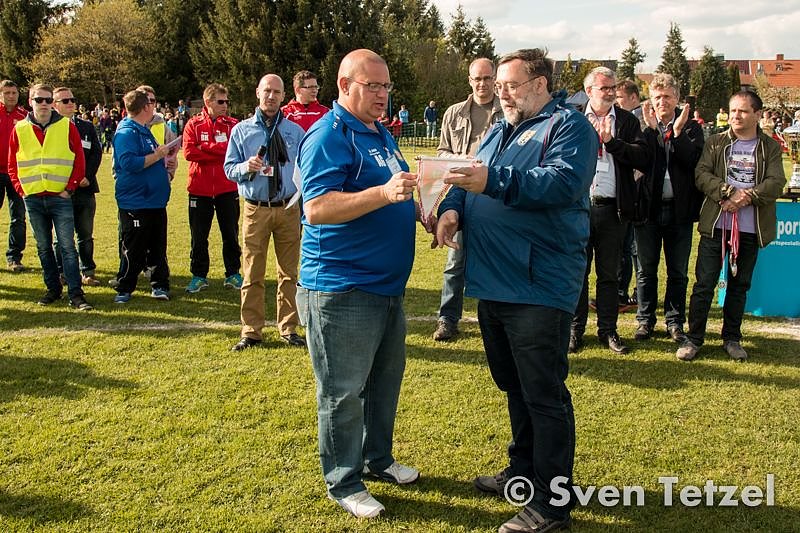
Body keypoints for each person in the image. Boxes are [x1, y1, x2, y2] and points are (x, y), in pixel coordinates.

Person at [435, 48, 597, 533]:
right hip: (493, 281)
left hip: (539, 283)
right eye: (498, 85)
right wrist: (453, 208)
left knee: (543, 394)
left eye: (511, 84)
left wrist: (491, 180)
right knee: (514, 385)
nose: (501, 93)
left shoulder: (568, 127)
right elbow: (468, 177)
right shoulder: (498, 129)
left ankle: (551, 504)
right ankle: (523, 472)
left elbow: (561, 184)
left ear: (540, 83)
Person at [297, 49, 422, 519]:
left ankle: (377, 459)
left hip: (385, 286)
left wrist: (420, 210)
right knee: (343, 392)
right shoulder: (328, 135)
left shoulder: (380, 132)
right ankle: (344, 481)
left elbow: (395, 192)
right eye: (373, 86)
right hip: (341, 287)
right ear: (344, 85)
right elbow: (317, 208)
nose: (382, 94)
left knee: (383, 384)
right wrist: (384, 193)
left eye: (386, 86)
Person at [676, 91, 786, 362]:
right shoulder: (716, 142)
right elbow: (702, 175)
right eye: (733, 110)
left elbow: (776, 182)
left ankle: (732, 339)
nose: (736, 116)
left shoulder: (770, 147)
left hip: (749, 230)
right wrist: (727, 192)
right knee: (704, 285)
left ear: (757, 115)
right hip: (716, 226)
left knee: (739, 286)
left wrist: (746, 197)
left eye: (743, 111)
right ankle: (694, 339)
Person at [570, 67, 649, 355]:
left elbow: (643, 157)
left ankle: (608, 330)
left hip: (612, 208)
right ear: (589, 91)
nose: (610, 92)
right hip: (578, 208)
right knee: (577, 272)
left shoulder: (627, 121)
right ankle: (574, 330)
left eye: (613, 87)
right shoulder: (574, 119)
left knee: (609, 274)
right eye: (604, 88)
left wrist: (612, 143)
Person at [224, 74, 306, 350]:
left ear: (284, 96)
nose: (271, 96)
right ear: (258, 92)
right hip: (256, 209)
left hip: (288, 209)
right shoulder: (241, 131)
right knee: (252, 272)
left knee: (289, 273)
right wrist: (245, 167)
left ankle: (288, 328)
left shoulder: (295, 132)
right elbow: (229, 169)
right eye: (267, 91)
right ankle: (251, 331)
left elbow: (304, 168)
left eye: (277, 92)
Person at [432, 57, 503, 341]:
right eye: (477, 79)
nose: (482, 84)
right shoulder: (454, 113)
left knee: (497, 259)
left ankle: (499, 322)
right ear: (470, 81)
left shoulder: (507, 110)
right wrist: (462, 160)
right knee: (455, 262)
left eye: (487, 78)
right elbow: (441, 151)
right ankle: (447, 319)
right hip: (460, 193)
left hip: (494, 192)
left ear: (494, 79)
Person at [8, 83, 92, 310]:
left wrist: (70, 188)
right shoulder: (20, 129)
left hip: (60, 197)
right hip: (33, 197)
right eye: (39, 100)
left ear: (52, 103)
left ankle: (76, 294)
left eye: (47, 100)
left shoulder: (66, 126)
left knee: (67, 247)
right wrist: (21, 189)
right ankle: (53, 289)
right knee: (43, 247)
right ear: (30, 102)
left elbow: (79, 160)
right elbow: (12, 163)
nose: (44, 104)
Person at [633, 73, 704, 343]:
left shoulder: (691, 127)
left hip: (679, 210)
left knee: (678, 272)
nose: (662, 101)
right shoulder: (642, 124)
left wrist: (677, 133)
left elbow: (692, 161)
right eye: (657, 97)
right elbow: (642, 160)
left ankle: (675, 322)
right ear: (650, 99)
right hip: (648, 209)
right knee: (646, 270)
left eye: (667, 97)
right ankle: (645, 320)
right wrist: (653, 132)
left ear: (677, 98)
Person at [112, 88, 176, 303]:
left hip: (154, 201)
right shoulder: (126, 132)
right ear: (146, 107)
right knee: (134, 247)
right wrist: (157, 155)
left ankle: (160, 284)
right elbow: (128, 163)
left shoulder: (143, 130)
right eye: (151, 103)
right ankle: (125, 287)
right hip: (136, 201)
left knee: (157, 246)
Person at [182, 83, 242, 293]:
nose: (225, 105)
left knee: (230, 234)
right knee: (199, 236)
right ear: (208, 102)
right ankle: (199, 276)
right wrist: (219, 151)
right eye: (220, 101)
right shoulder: (193, 124)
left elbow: (235, 152)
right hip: (200, 189)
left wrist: (205, 147)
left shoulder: (233, 125)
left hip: (227, 188)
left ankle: (233, 274)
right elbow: (189, 152)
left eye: (226, 101)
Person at [52, 87, 103, 286]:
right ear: (55, 105)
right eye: (65, 101)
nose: (71, 103)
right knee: (61, 237)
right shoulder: (50, 128)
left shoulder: (86, 127)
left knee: (85, 235)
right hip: (61, 190)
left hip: (85, 189)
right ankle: (62, 272)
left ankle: (87, 271)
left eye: (72, 99)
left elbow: (96, 153)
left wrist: (87, 176)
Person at [614, 79, 644, 311]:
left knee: (634, 249)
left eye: (619, 97)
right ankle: (622, 292)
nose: (616, 102)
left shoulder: (638, 120)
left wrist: (626, 181)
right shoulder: (623, 118)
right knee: (626, 247)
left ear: (633, 97)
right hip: (627, 194)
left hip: (637, 195)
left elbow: (642, 159)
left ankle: (631, 294)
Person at [0, 80, 29, 272]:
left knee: (18, 216)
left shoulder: (25, 117)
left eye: (14, 93)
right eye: (7, 93)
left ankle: (14, 257)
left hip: (17, 173)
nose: (11, 96)